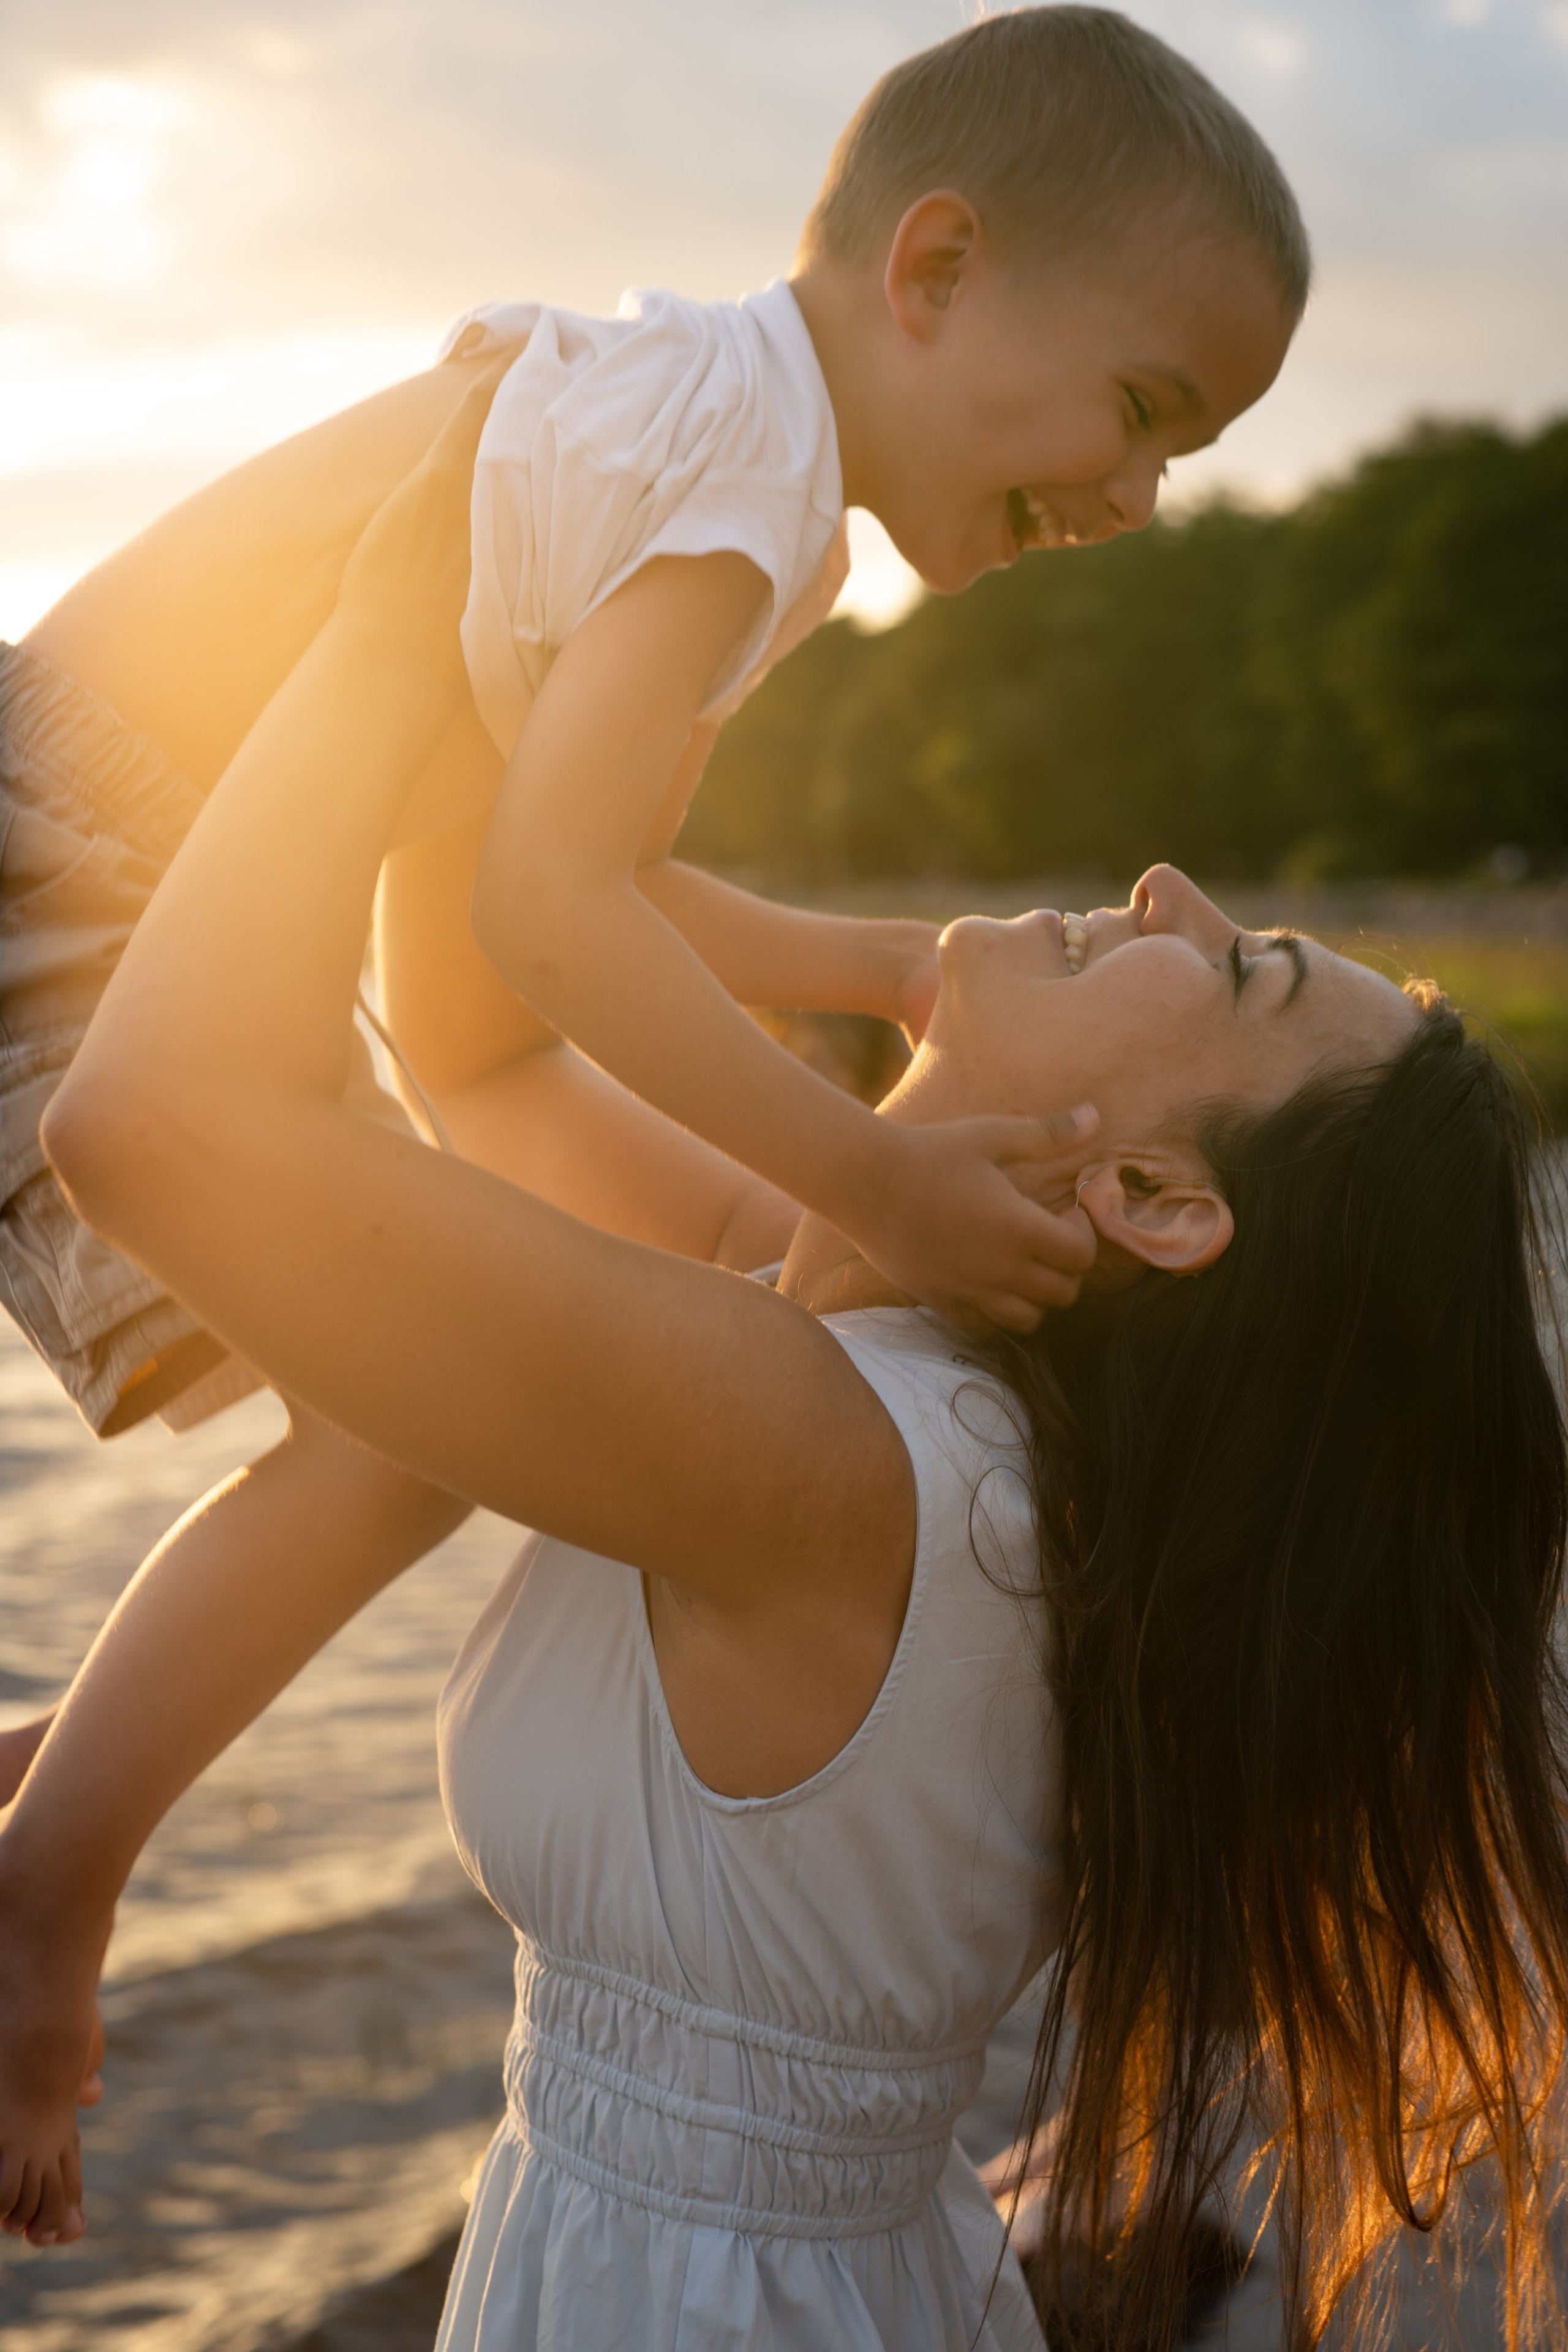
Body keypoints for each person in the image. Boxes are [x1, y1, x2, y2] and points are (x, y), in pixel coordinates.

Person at [6, 372, 1566, 2352]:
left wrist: (394, 627)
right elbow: (483, 1049)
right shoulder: (884, 1356)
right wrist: (571, 666)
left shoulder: (842, 1468)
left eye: (1244, 968)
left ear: (1163, 1198)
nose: (1176, 886)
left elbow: (154, 1124)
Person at [0, 0, 1301, 1809]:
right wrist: (870, 1180)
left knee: (387, 1418)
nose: (1140, 497)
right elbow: (546, 915)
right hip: (90, 840)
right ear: (934, 268)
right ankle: (49, 1895)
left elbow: (578, 865)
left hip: (131, 812)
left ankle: (74, 1761)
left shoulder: (732, 448)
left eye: (1183, 457)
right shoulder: (744, 482)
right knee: (389, 1443)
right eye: (1142, 410)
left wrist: (852, 962)